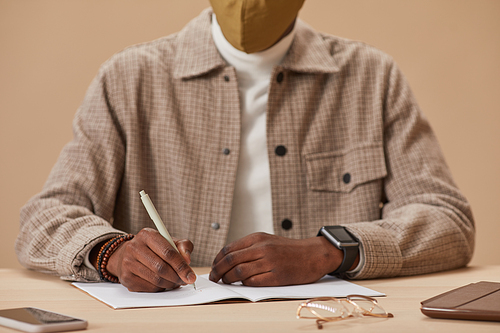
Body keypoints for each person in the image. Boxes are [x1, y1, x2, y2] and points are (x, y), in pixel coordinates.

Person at [16, 0, 475, 293]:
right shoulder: (129, 78)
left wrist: (327, 251)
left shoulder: (373, 77)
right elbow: (45, 217)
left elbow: (447, 221)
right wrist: (111, 252)